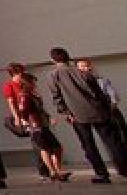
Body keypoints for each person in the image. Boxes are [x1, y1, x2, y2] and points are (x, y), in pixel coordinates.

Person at [47, 46, 127, 183]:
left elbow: (57, 97)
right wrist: (106, 108)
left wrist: (66, 112)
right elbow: (100, 94)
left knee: (88, 145)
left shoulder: (53, 76)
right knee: (113, 142)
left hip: (77, 115)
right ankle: (125, 169)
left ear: (53, 59)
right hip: (99, 112)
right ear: (68, 57)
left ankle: (101, 174)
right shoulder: (82, 72)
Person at [3, 63, 50, 181]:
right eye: (22, 71)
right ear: (16, 73)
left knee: (43, 142)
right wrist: (18, 118)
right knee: (37, 144)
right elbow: (11, 102)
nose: (24, 73)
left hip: (36, 116)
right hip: (26, 117)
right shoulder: (10, 85)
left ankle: (48, 168)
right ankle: (43, 171)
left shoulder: (24, 83)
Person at [16, 73, 68, 181]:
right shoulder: (24, 95)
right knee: (45, 149)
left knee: (57, 147)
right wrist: (25, 122)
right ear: (26, 83)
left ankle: (57, 171)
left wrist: (48, 117)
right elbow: (23, 111)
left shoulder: (32, 94)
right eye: (32, 81)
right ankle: (53, 172)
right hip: (36, 126)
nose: (34, 84)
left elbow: (40, 109)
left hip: (42, 124)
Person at [77, 58, 126, 140]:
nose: (85, 68)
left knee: (122, 135)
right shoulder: (78, 85)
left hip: (111, 113)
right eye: (82, 66)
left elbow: (114, 97)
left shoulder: (102, 81)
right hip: (95, 116)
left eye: (87, 66)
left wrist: (110, 109)